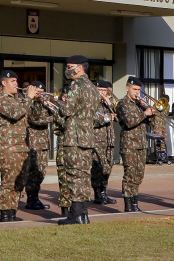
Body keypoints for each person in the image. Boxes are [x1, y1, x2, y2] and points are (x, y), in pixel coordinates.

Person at [57, 55, 101, 225]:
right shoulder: (92, 87)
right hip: (87, 137)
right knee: (83, 175)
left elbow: (66, 110)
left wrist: (61, 107)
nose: (67, 70)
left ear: (80, 68)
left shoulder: (76, 85)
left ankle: (75, 215)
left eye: (70, 66)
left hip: (74, 136)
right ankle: (83, 213)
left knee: (74, 175)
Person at [0, 70, 36, 222]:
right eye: (13, 81)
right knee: (9, 181)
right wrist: (28, 98)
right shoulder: (0, 99)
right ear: (4, 83)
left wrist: (34, 100)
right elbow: (15, 114)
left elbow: (31, 117)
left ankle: (13, 211)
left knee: (19, 181)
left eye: (17, 81)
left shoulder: (18, 99)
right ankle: (5, 213)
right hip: (8, 146)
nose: (17, 84)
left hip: (22, 145)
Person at [117, 76, 154, 213]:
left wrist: (150, 111)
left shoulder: (140, 105)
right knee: (130, 175)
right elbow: (129, 122)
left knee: (139, 175)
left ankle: (135, 203)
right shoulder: (122, 104)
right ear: (127, 88)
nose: (137, 92)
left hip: (141, 144)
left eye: (139, 90)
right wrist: (145, 113)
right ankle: (128, 205)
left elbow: (153, 124)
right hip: (129, 145)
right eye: (134, 89)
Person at [24, 81, 51, 210]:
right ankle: (30, 198)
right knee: (33, 171)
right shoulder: (30, 104)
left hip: (44, 142)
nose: (40, 94)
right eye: (37, 92)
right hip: (33, 142)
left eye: (42, 92)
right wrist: (50, 119)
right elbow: (35, 120)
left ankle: (36, 197)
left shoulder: (45, 105)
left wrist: (48, 106)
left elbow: (59, 115)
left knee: (42, 171)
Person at [91, 80, 117, 206]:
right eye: (101, 90)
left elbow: (118, 117)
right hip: (97, 141)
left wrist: (111, 106)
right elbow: (92, 121)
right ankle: (98, 194)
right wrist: (106, 118)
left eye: (105, 90)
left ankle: (104, 192)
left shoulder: (107, 104)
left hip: (109, 140)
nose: (103, 93)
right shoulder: (92, 103)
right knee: (97, 168)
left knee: (107, 167)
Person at [53, 85, 71, 216]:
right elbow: (67, 125)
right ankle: (65, 211)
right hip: (64, 150)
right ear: (64, 97)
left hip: (76, 150)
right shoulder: (58, 110)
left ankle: (77, 208)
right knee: (64, 182)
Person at [150, 96, 169, 164]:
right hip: (157, 125)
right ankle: (158, 156)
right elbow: (152, 112)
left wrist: (155, 111)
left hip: (163, 125)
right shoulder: (156, 105)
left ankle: (163, 156)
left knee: (164, 140)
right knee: (158, 141)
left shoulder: (167, 106)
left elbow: (164, 114)